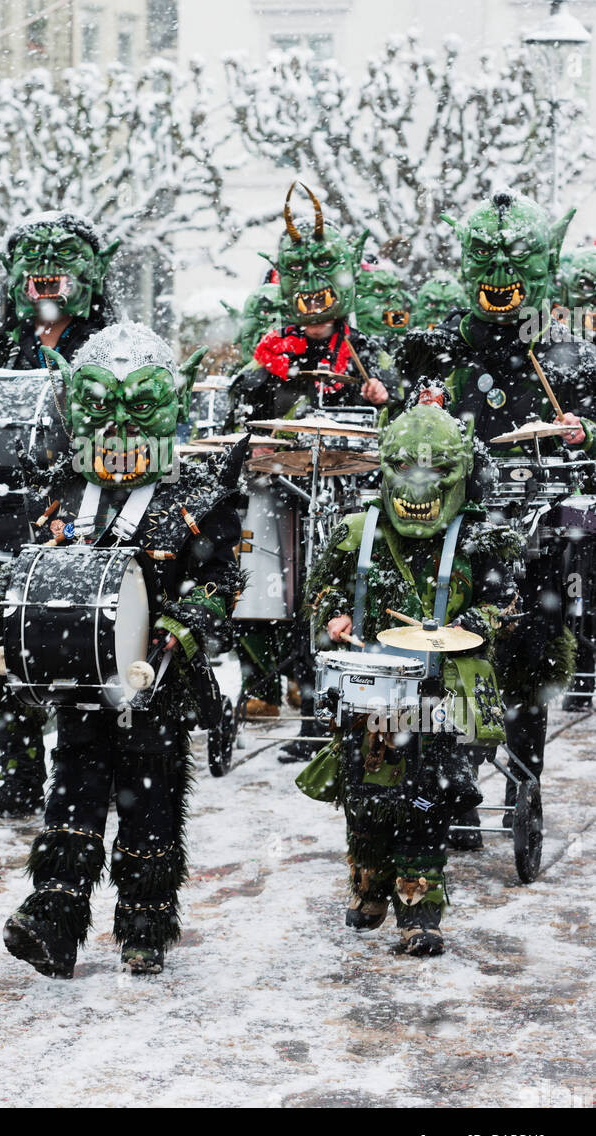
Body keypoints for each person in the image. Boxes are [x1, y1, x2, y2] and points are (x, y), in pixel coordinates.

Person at [0, 322, 244, 977]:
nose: (117, 427)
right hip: (80, 682)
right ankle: (53, 918)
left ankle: (144, 926)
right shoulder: (63, 490)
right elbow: (27, 568)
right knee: (71, 795)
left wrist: (187, 620)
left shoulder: (196, 493)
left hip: (155, 684)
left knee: (150, 804)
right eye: (100, 408)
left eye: (137, 408)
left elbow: (221, 578)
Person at [395, 190, 591, 815]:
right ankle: (456, 784)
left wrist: (584, 428)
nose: (500, 281)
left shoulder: (570, 350)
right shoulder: (440, 347)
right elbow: (400, 424)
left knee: (530, 654)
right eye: (486, 263)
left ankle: (523, 776)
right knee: (451, 649)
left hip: (540, 527)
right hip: (455, 527)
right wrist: (414, 406)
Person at [299, 403, 519, 955]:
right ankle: (369, 885)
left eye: (437, 471)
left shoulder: (481, 537)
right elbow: (318, 594)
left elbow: (505, 605)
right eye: (406, 468)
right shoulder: (355, 532)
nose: (419, 484)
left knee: (427, 799)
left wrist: (477, 623)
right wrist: (332, 616)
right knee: (367, 796)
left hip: (444, 690)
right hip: (371, 690)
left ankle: (421, 911)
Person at [225, 182, 392, 753]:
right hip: (286, 496)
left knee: (337, 596)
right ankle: (287, 691)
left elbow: (397, 404)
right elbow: (242, 416)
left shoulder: (366, 348)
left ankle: (334, 707)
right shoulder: (270, 355)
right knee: (276, 597)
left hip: (349, 497)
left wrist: (380, 393)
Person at [0, 211, 120, 818]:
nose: (46, 269)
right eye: (32, 256)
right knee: (0, 649)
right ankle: (19, 771)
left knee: (83, 645)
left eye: (63, 257)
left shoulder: (113, 347)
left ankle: (86, 774)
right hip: (4, 517)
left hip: (84, 515)